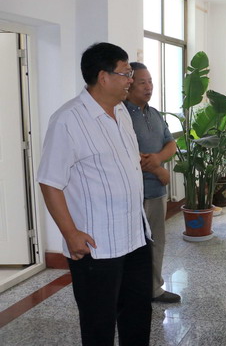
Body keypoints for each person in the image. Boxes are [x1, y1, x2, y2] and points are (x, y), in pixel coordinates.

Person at [38, 42, 152, 345]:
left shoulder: (121, 112)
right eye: (126, 73)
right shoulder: (68, 119)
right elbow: (49, 181)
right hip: (96, 244)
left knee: (138, 315)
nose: (131, 80)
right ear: (103, 77)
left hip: (135, 235)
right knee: (98, 323)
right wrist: (70, 233)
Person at [125, 62, 180, 303]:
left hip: (157, 192)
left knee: (157, 241)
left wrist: (157, 160)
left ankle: (154, 289)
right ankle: (134, 292)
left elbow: (171, 143)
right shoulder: (121, 115)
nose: (149, 87)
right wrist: (158, 170)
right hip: (134, 194)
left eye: (150, 82)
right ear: (129, 84)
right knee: (135, 247)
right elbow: (129, 154)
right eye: (142, 82)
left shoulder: (154, 113)